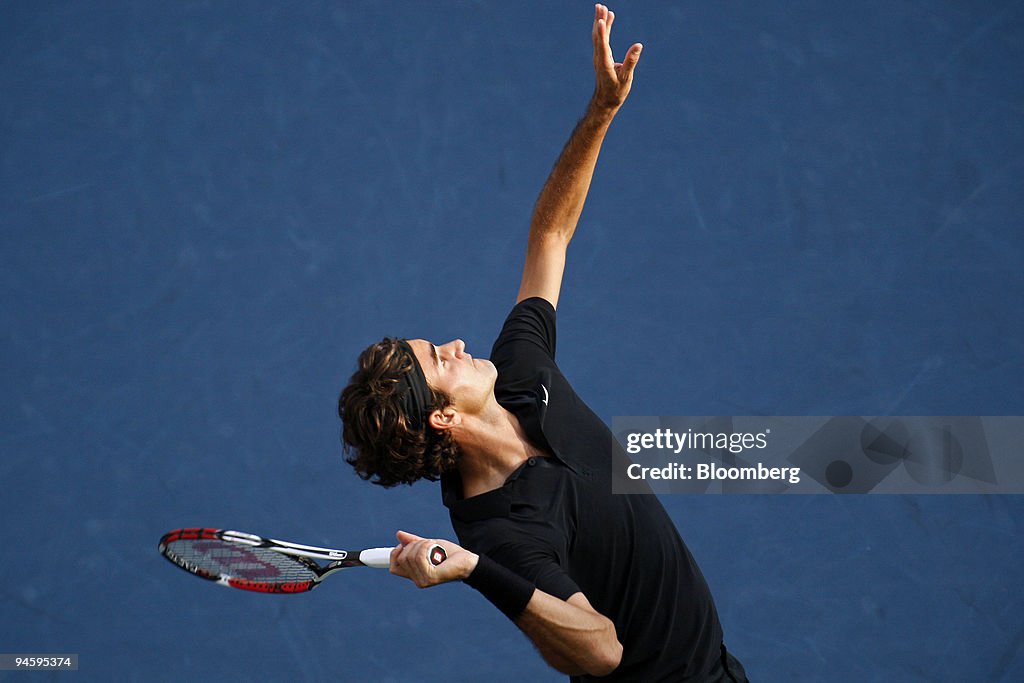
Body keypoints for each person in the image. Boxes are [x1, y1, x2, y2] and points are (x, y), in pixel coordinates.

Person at [338, 5, 748, 681]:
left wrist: (601, 110)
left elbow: (550, 235)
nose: (458, 343)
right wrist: (476, 570)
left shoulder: (522, 372)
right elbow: (600, 647)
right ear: (443, 415)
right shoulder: (502, 530)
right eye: (442, 358)